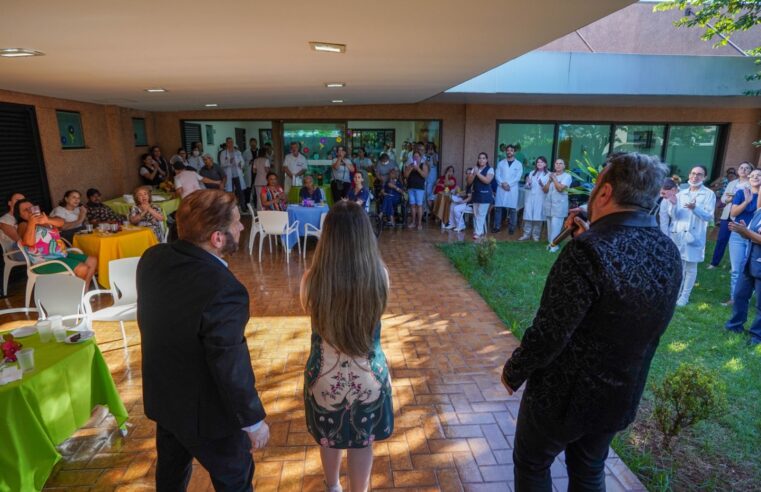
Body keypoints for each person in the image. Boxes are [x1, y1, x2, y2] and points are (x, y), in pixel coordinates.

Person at [502, 152, 681, 492]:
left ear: (604, 193)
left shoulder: (588, 251)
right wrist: (590, 232)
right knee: (588, 469)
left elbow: (551, 330)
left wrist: (514, 370)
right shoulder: (668, 251)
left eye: (596, 185)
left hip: (564, 397)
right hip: (620, 392)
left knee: (533, 463)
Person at [137, 189, 269, 491]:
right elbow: (229, 361)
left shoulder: (152, 259)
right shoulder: (224, 288)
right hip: (209, 417)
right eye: (236, 223)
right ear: (217, 238)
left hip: (166, 402)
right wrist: (253, 421)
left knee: (170, 477)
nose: (242, 227)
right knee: (235, 481)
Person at [301, 200, 393, 492]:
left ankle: (332, 487)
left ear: (327, 237)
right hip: (369, 377)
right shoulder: (380, 276)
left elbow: (308, 310)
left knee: (329, 438)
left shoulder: (310, 280)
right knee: (362, 442)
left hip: (325, 378)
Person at [15, 198, 98, 284]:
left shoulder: (44, 219)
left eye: (31, 207)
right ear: (20, 215)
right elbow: (29, 243)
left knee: (92, 260)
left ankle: (84, 291)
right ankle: (77, 294)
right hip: (44, 262)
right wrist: (32, 223)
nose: (30, 211)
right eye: (25, 210)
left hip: (61, 255)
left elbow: (61, 222)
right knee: (82, 268)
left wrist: (47, 220)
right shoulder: (23, 225)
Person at [671, 165, 716, 307]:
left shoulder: (709, 194)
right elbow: (674, 216)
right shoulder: (680, 194)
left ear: (705, 177)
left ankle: (685, 296)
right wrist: (672, 205)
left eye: (699, 174)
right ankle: (676, 293)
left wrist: (694, 208)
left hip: (695, 235)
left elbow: (709, 217)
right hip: (679, 234)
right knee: (679, 265)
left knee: (690, 266)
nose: (695, 176)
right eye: (693, 173)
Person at [725, 209, 761, 346]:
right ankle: (735, 325)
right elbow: (750, 235)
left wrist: (746, 232)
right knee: (739, 295)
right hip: (749, 261)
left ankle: (757, 336)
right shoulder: (759, 212)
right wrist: (741, 230)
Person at [725, 168, 761, 305]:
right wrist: (746, 201)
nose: (755, 177)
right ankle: (735, 298)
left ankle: (746, 297)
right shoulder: (741, 193)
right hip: (738, 235)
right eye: (752, 175)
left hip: (755, 237)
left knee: (750, 270)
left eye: (759, 175)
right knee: (736, 269)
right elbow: (733, 213)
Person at [710, 162, 752, 269]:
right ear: (738, 171)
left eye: (747, 168)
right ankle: (714, 263)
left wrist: (738, 200)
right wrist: (727, 200)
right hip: (727, 215)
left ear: (750, 172)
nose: (743, 170)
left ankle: (734, 265)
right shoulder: (732, 183)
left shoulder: (751, 185)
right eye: (741, 168)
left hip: (741, 216)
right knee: (721, 239)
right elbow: (724, 198)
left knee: (737, 242)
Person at [543, 159, 573, 252]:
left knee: (556, 226)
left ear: (564, 166)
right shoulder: (550, 175)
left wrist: (554, 179)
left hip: (559, 205)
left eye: (561, 163)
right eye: (556, 163)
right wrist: (549, 180)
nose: (558, 165)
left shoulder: (567, 176)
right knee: (550, 227)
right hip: (549, 204)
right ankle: (550, 243)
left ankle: (554, 246)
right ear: (554, 165)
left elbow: (560, 188)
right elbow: (545, 190)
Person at [494, 144, 523, 234]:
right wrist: (502, 183)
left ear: (514, 152)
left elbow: (518, 177)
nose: (509, 152)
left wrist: (508, 184)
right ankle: (497, 226)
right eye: (508, 150)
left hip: (512, 188)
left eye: (511, 150)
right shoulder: (501, 163)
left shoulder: (518, 164)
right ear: (505, 151)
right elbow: (497, 174)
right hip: (501, 187)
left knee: (513, 210)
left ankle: (511, 228)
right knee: (498, 208)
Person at [519, 157, 549, 241]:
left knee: (538, 218)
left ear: (545, 164)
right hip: (530, 197)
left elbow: (548, 189)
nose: (539, 164)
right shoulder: (532, 173)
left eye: (541, 162)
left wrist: (542, 184)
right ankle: (526, 235)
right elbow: (527, 187)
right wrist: (528, 183)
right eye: (538, 162)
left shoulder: (548, 174)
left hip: (540, 198)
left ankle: (536, 236)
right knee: (528, 217)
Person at [468, 152, 494, 240]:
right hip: (476, 194)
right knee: (476, 214)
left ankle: (477, 233)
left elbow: (487, 181)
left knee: (481, 214)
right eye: (480, 158)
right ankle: (480, 231)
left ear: (486, 160)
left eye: (483, 158)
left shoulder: (490, 169)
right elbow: (469, 182)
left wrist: (477, 173)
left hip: (486, 195)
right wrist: (474, 173)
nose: (481, 160)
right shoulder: (474, 169)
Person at [0, 192, 26, 275]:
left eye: (23, 200)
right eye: (17, 200)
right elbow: (18, 239)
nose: (20, 202)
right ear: (9, 203)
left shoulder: (25, 216)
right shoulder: (4, 220)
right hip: (16, 251)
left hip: (29, 247)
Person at [404, 151, 429, 230]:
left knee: (419, 205)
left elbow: (425, 175)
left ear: (420, 158)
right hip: (411, 187)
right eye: (414, 156)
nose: (416, 158)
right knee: (412, 205)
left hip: (419, 188)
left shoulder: (423, 165)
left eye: (417, 156)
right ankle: (413, 222)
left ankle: (419, 224)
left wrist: (417, 168)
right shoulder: (410, 165)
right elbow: (405, 175)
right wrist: (411, 169)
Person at [219, 138, 246, 211]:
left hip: (237, 174)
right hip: (229, 175)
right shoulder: (223, 153)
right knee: (230, 191)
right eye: (229, 142)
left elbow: (242, 162)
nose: (231, 143)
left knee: (240, 191)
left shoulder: (238, 152)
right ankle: (231, 207)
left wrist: (241, 164)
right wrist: (229, 162)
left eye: (232, 142)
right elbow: (222, 164)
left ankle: (243, 207)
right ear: (226, 143)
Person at [241, 138, 258, 209]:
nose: (253, 144)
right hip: (249, 173)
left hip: (257, 173)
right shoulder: (246, 152)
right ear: (249, 144)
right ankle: (247, 204)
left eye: (254, 142)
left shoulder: (259, 151)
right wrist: (249, 162)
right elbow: (242, 163)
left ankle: (256, 204)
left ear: (256, 143)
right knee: (248, 189)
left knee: (256, 189)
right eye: (252, 143)